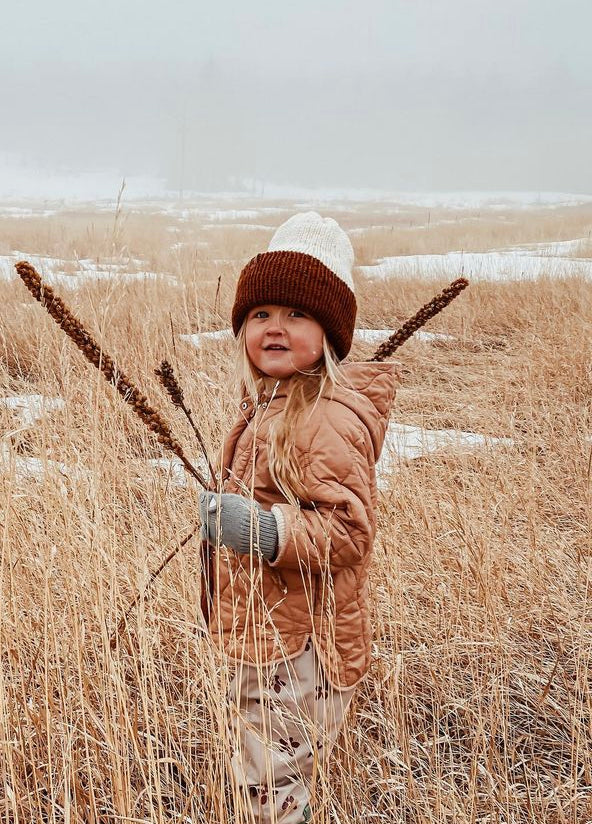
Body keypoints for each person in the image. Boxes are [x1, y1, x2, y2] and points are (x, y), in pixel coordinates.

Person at [198, 211, 401, 823]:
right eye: (261, 315)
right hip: (266, 634)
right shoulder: (266, 404)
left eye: (296, 314)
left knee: (273, 791)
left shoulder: (326, 415)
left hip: (297, 647)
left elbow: (349, 530)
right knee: (266, 778)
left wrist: (262, 530)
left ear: (329, 334)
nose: (275, 328)